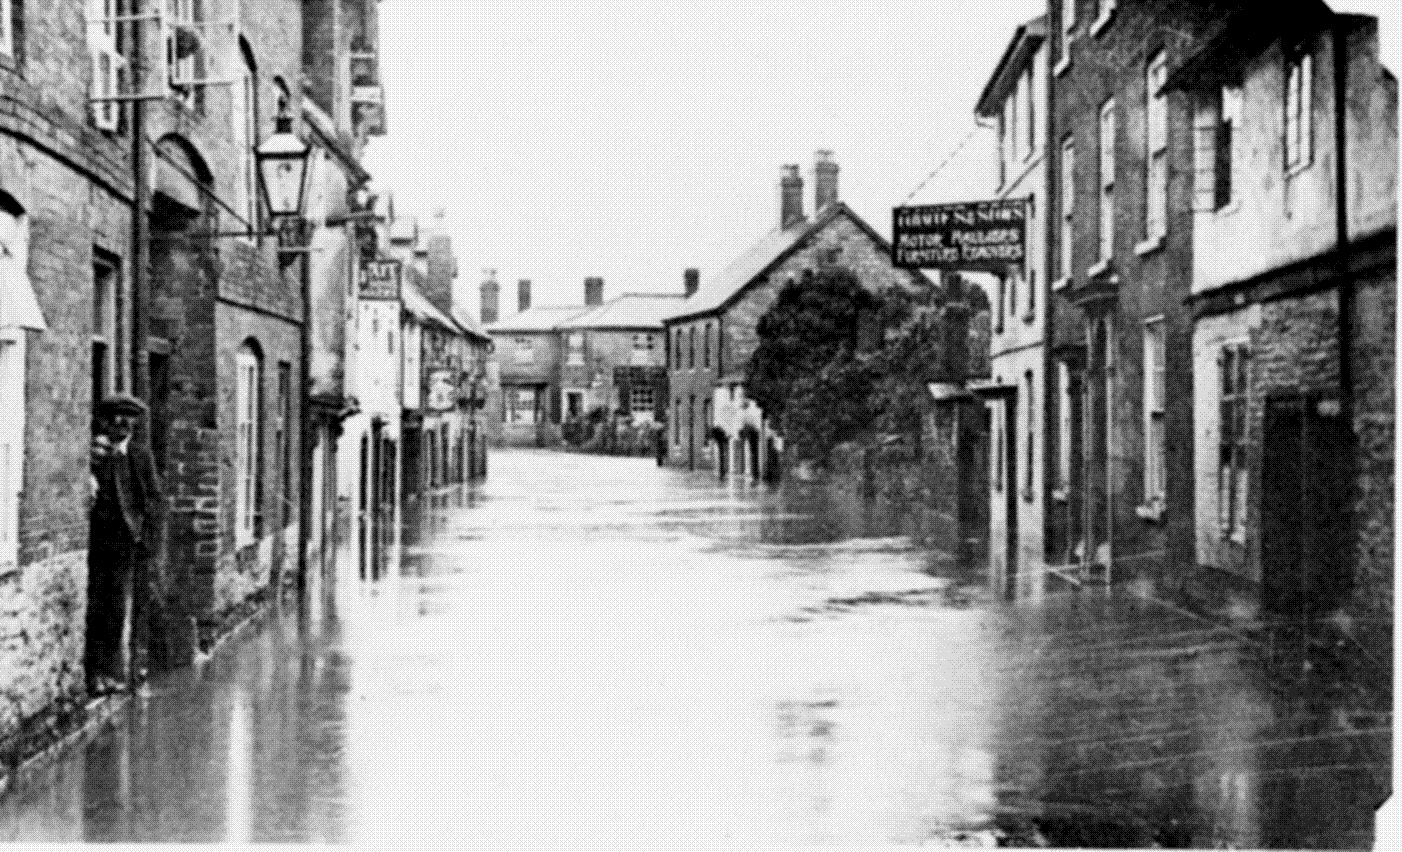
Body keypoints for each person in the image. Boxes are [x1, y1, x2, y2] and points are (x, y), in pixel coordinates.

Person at [86, 394, 164, 695]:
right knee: (95, 606)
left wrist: (146, 538)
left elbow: (154, 500)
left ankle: (112, 672)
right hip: (96, 541)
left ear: (134, 424)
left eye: (129, 419)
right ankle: (93, 675)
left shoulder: (141, 456)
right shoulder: (96, 453)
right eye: (117, 418)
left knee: (116, 608)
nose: (123, 424)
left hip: (125, 543)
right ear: (107, 421)